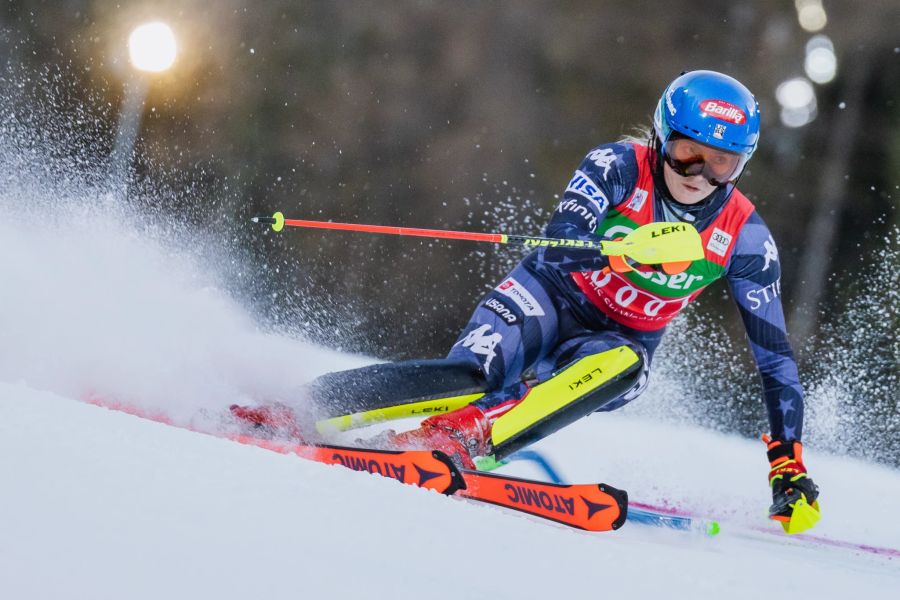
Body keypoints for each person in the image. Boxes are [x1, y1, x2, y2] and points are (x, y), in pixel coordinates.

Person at [233, 70, 818, 525]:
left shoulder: (745, 237)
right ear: (664, 138)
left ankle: (463, 440)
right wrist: (624, 250)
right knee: (476, 373)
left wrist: (786, 462)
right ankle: (298, 405)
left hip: (618, 338)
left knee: (623, 366)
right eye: (690, 152)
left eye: (723, 163)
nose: (700, 175)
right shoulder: (617, 165)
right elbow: (562, 242)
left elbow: (773, 355)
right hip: (550, 295)